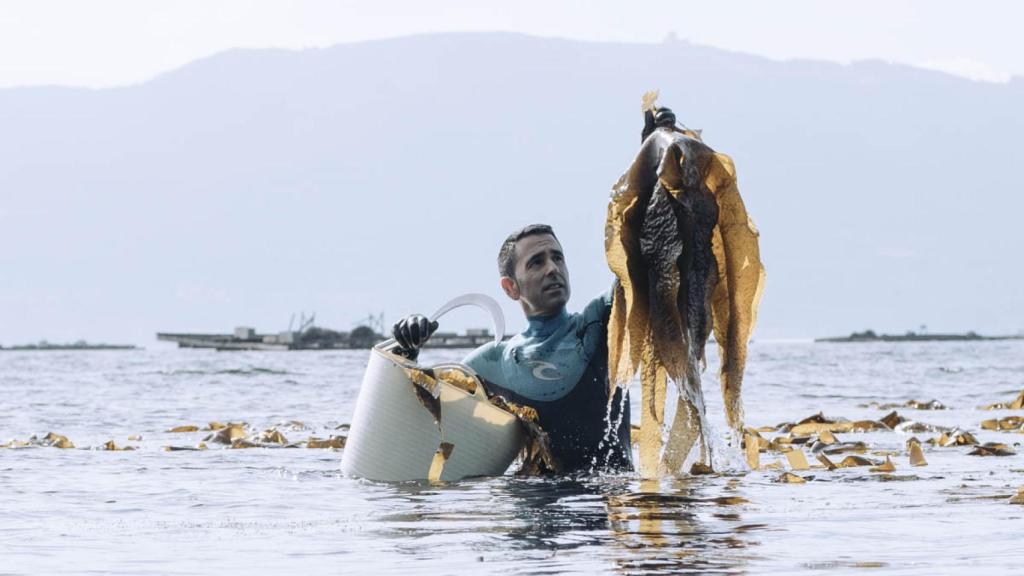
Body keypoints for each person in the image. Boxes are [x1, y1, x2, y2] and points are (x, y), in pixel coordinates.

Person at [393, 224, 632, 473]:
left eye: (557, 258)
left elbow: (637, 271)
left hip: (608, 502)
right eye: (536, 262)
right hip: (531, 504)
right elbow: (420, 415)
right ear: (510, 288)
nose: (553, 268)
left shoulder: (597, 325)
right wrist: (407, 347)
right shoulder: (491, 363)